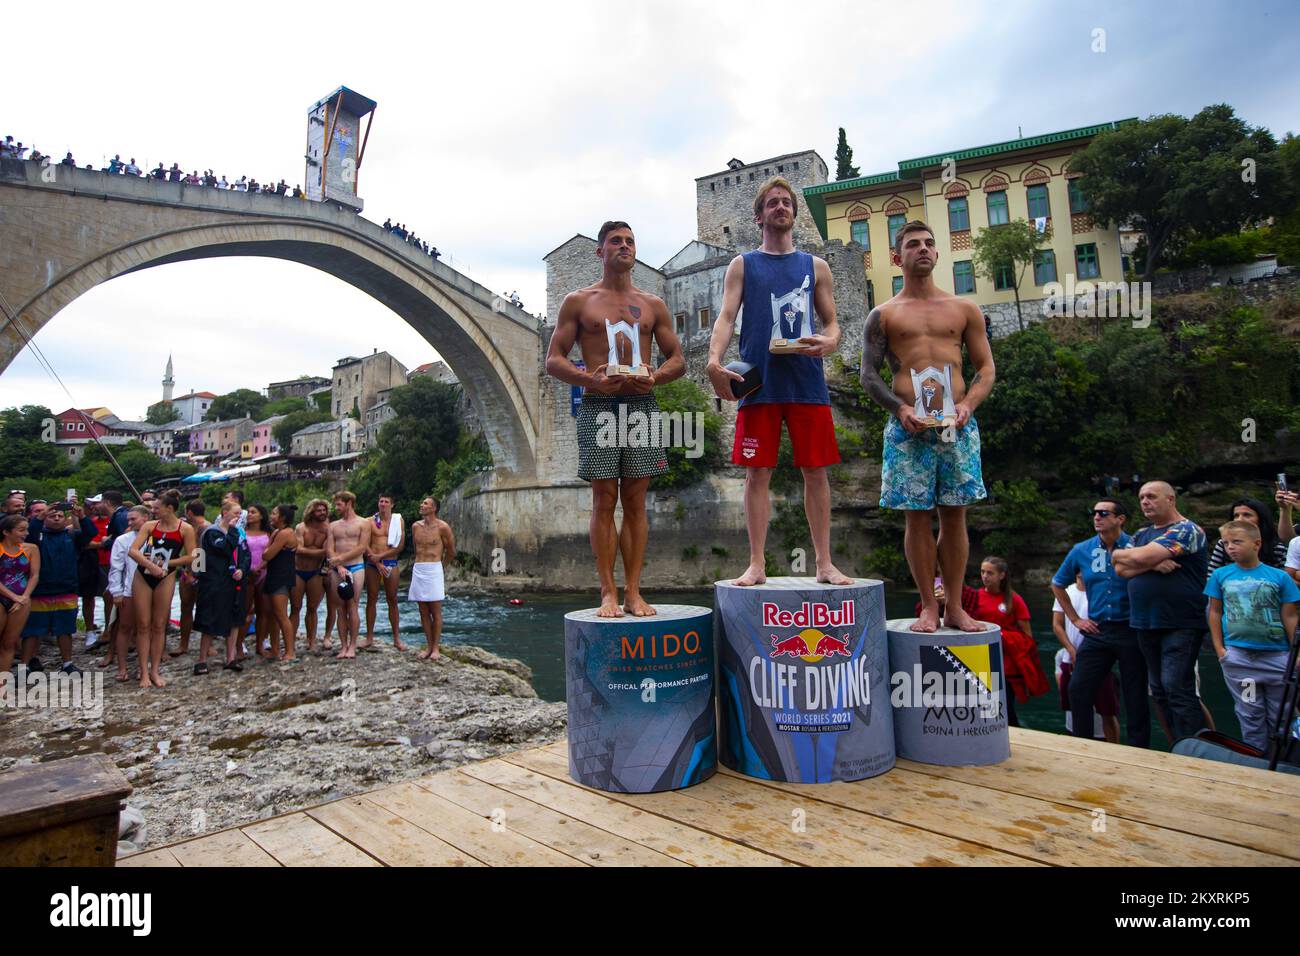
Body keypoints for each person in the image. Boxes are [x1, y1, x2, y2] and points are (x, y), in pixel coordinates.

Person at [703, 181, 851, 590]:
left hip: (806, 380)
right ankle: (755, 564)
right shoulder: (743, 264)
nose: (781, 207)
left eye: (786, 202)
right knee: (757, 472)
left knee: (816, 471)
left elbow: (832, 322)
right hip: (756, 380)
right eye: (772, 203)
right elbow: (726, 318)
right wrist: (714, 360)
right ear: (759, 215)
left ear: (794, 213)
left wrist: (832, 340)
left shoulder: (815, 266)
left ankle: (823, 563)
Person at [859, 220, 996, 632]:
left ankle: (954, 605)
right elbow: (868, 376)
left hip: (956, 425)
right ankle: (927, 606)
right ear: (898, 258)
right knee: (916, 516)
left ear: (937, 254)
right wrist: (900, 411)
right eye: (913, 244)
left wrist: (970, 404)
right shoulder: (882, 315)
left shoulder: (964, 309)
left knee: (955, 514)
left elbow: (986, 369)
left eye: (929, 244)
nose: (923, 249)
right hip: (908, 427)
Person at [544, 220, 685, 617]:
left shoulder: (653, 304)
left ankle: (634, 592)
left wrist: (655, 376)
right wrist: (591, 379)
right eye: (615, 241)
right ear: (600, 251)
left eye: (629, 241)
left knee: (637, 501)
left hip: (641, 404)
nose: (624, 246)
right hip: (598, 405)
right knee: (604, 499)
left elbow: (678, 359)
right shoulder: (579, 301)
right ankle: (607, 591)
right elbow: (553, 359)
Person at [1112, 481, 1209, 743]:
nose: (1145, 501)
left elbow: (1131, 559)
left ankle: (1197, 751)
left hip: (1181, 622)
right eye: (1142, 497)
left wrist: (1131, 557)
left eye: (1152, 496)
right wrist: (1152, 564)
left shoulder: (1187, 530)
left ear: (1170, 499)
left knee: (1177, 687)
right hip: (1145, 621)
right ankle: (1177, 746)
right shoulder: (1141, 534)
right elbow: (1120, 568)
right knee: (1159, 690)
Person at [1050, 498, 1149, 748]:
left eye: (1103, 513)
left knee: (1135, 693)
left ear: (1120, 519)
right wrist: (1075, 618)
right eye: (1094, 512)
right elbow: (1057, 583)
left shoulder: (1138, 545)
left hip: (1131, 628)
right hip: (1098, 628)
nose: (1097, 517)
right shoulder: (1082, 550)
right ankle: (1084, 746)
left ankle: (1139, 750)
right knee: (1078, 687)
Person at [1206, 519, 1300, 752]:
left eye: (1237, 542)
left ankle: (1284, 758)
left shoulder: (1279, 577)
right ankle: (1255, 758)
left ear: (1256, 543)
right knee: (1249, 711)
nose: (1230, 548)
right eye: (1226, 543)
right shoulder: (1220, 575)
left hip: (1277, 657)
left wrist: (1296, 654)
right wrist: (1220, 649)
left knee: (1283, 712)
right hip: (1240, 659)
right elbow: (1215, 611)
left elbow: (1290, 616)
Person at [128, 490, 195, 688]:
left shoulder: (186, 529)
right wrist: (151, 565)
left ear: (169, 508)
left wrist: (165, 564)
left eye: (157, 508)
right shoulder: (150, 526)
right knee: (143, 623)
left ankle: (155, 670)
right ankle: (143, 671)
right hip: (144, 574)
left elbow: (192, 556)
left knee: (159, 625)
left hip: (166, 576)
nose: (153, 511)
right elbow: (133, 550)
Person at [970, 556, 1047, 727]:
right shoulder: (975, 597)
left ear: (1002, 575)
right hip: (980, 661)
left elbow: (1028, 638)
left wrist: (1003, 636)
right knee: (982, 707)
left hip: (1007, 664)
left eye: (990, 573)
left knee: (1005, 707)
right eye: (983, 572)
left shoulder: (1014, 600)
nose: (985, 576)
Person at [21, 500, 97, 674]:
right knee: (32, 630)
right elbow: (31, 532)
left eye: (60, 516)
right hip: (40, 591)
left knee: (65, 629)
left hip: (66, 589)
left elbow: (91, 532)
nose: (56, 518)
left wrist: (82, 516)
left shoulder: (73, 536)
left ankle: (67, 663)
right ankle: (24, 666)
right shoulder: (36, 538)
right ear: (45, 519)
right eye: (52, 516)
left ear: (65, 519)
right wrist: (40, 516)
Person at [1051, 572, 1121, 744]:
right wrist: (1070, 648)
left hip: (1099, 659)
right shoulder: (1066, 591)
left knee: (1107, 709)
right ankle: (1080, 746)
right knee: (1073, 706)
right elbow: (1057, 624)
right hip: (1070, 658)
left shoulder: (1101, 591)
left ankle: (1116, 749)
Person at [193, 499, 251, 674]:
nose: (238, 517)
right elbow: (225, 548)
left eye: (240, 514)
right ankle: (202, 660)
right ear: (224, 513)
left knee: (234, 620)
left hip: (234, 583)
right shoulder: (212, 532)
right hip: (214, 582)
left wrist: (242, 569)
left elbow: (245, 554)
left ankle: (231, 657)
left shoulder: (239, 533)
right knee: (209, 620)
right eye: (235, 513)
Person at [105, 506, 150, 683]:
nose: (129, 523)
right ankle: (122, 667)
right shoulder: (122, 540)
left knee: (145, 629)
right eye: (128, 520)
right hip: (128, 590)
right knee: (124, 627)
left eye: (134, 519)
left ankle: (143, 666)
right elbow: (116, 568)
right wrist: (116, 591)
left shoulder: (157, 537)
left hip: (150, 589)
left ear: (145, 518)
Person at [325, 491, 372, 658]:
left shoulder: (364, 523)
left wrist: (340, 560)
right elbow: (329, 548)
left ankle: (353, 645)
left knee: (352, 605)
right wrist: (338, 565)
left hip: (356, 566)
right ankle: (343, 645)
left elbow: (361, 547)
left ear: (349, 503)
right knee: (339, 608)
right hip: (338, 569)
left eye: (339, 504)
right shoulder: (333, 525)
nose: (336, 508)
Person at [409, 496, 455, 661]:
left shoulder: (443, 527)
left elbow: (451, 550)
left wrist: (441, 567)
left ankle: (436, 648)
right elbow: (417, 548)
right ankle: (428, 646)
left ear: (434, 508)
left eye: (426, 503)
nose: (422, 505)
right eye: (422, 503)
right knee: (422, 610)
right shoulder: (416, 526)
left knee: (435, 609)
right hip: (419, 567)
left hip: (434, 567)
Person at [0, 515, 41, 685]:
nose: (26, 533)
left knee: (9, 644)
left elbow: (34, 575)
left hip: (22, 598)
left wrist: (24, 597)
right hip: (4, 595)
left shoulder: (31, 548)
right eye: (21, 530)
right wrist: (14, 597)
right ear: (6, 532)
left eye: (27, 529)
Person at [364, 494, 406, 650]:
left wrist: (380, 557)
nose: (382, 504)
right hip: (372, 564)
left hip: (390, 561)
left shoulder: (398, 521)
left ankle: (396, 638)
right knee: (371, 599)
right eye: (380, 501)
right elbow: (364, 544)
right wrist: (376, 560)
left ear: (392, 505)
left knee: (392, 599)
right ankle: (369, 637)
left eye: (386, 501)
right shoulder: (369, 521)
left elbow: (400, 546)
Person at [1207, 498, 1287, 574]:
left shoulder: (1278, 548)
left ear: (1261, 518)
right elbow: (1211, 576)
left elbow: (1285, 580)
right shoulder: (1223, 544)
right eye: (1236, 515)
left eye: (1247, 515)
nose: (1240, 519)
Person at [291, 498, 330, 652]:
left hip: (316, 572)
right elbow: (298, 549)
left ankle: (311, 641)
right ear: (311, 512)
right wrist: (320, 552)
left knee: (312, 608)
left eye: (324, 510)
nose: (322, 513)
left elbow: (329, 555)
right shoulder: (301, 528)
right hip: (298, 570)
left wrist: (325, 573)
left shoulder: (328, 529)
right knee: (295, 607)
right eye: (318, 510)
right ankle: (291, 641)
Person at [261, 505, 300, 661]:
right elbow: (267, 555)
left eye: (274, 513)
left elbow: (267, 554)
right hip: (273, 574)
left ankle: (290, 651)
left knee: (281, 614)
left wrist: (267, 551)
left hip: (282, 577)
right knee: (271, 615)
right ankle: (275, 648)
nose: (271, 516)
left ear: (283, 517)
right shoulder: (277, 532)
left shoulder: (286, 533)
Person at [174, 498, 210, 657]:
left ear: (189, 512)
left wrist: (194, 574)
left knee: (203, 609)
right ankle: (184, 644)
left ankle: (207, 646)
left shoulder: (204, 528)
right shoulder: (189, 527)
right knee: (185, 608)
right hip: (189, 571)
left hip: (198, 572)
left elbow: (201, 552)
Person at [242, 504, 272, 659]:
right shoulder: (242, 532)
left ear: (261, 515)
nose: (250, 514)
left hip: (264, 572)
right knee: (245, 610)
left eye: (253, 512)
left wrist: (260, 567)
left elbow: (272, 552)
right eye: (249, 512)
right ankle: (239, 643)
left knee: (263, 611)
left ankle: (260, 644)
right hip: (246, 573)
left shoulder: (268, 533)